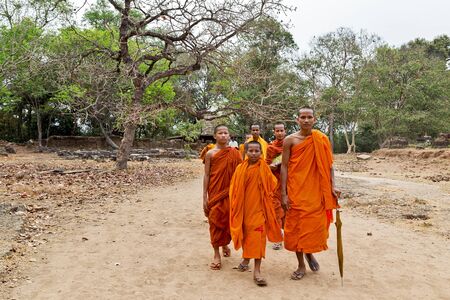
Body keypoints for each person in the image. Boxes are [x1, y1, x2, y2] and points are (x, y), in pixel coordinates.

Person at [280, 107, 340, 280]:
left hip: (315, 192)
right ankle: (300, 265)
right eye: (302, 117)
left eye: (309, 117)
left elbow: (329, 165)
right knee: (297, 228)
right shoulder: (290, 140)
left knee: (315, 227)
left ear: (315, 119)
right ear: (297, 119)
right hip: (296, 190)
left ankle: (309, 253)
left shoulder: (321, 139)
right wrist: (283, 193)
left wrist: (333, 186)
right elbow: (284, 166)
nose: (306, 120)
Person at [229, 141, 282, 286]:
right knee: (246, 235)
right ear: (245, 152)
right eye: (250, 151)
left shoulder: (264, 168)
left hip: (260, 210)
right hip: (244, 210)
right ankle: (246, 259)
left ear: (261, 152)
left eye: (256, 151)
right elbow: (234, 189)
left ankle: (257, 271)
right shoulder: (240, 169)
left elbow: (272, 185)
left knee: (258, 238)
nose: (253, 153)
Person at [203, 125, 242, 270]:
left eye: (226, 133)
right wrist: (204, 197)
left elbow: (240, 174)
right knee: (214, 221)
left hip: (231, 193)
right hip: (215, 193)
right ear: (215, 136)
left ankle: (225, 243)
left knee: (227, 220)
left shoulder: (235, 153)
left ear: (229, 135)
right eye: (220, 133)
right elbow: (207, 175)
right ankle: (216, 254)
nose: (223, 135)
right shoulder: (210, 154)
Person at [265, 122, 286, 250]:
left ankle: (288, 234)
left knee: (289, 210)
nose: (279, 133)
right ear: (274, 132)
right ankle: (278, 238)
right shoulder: (270, 148)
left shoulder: (291, 144)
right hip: (275, 183)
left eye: (281, 130)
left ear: (285, 131)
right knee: (276, 209)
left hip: (289, 181)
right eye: (277, 131)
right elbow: (266, 164)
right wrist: (270, 166)